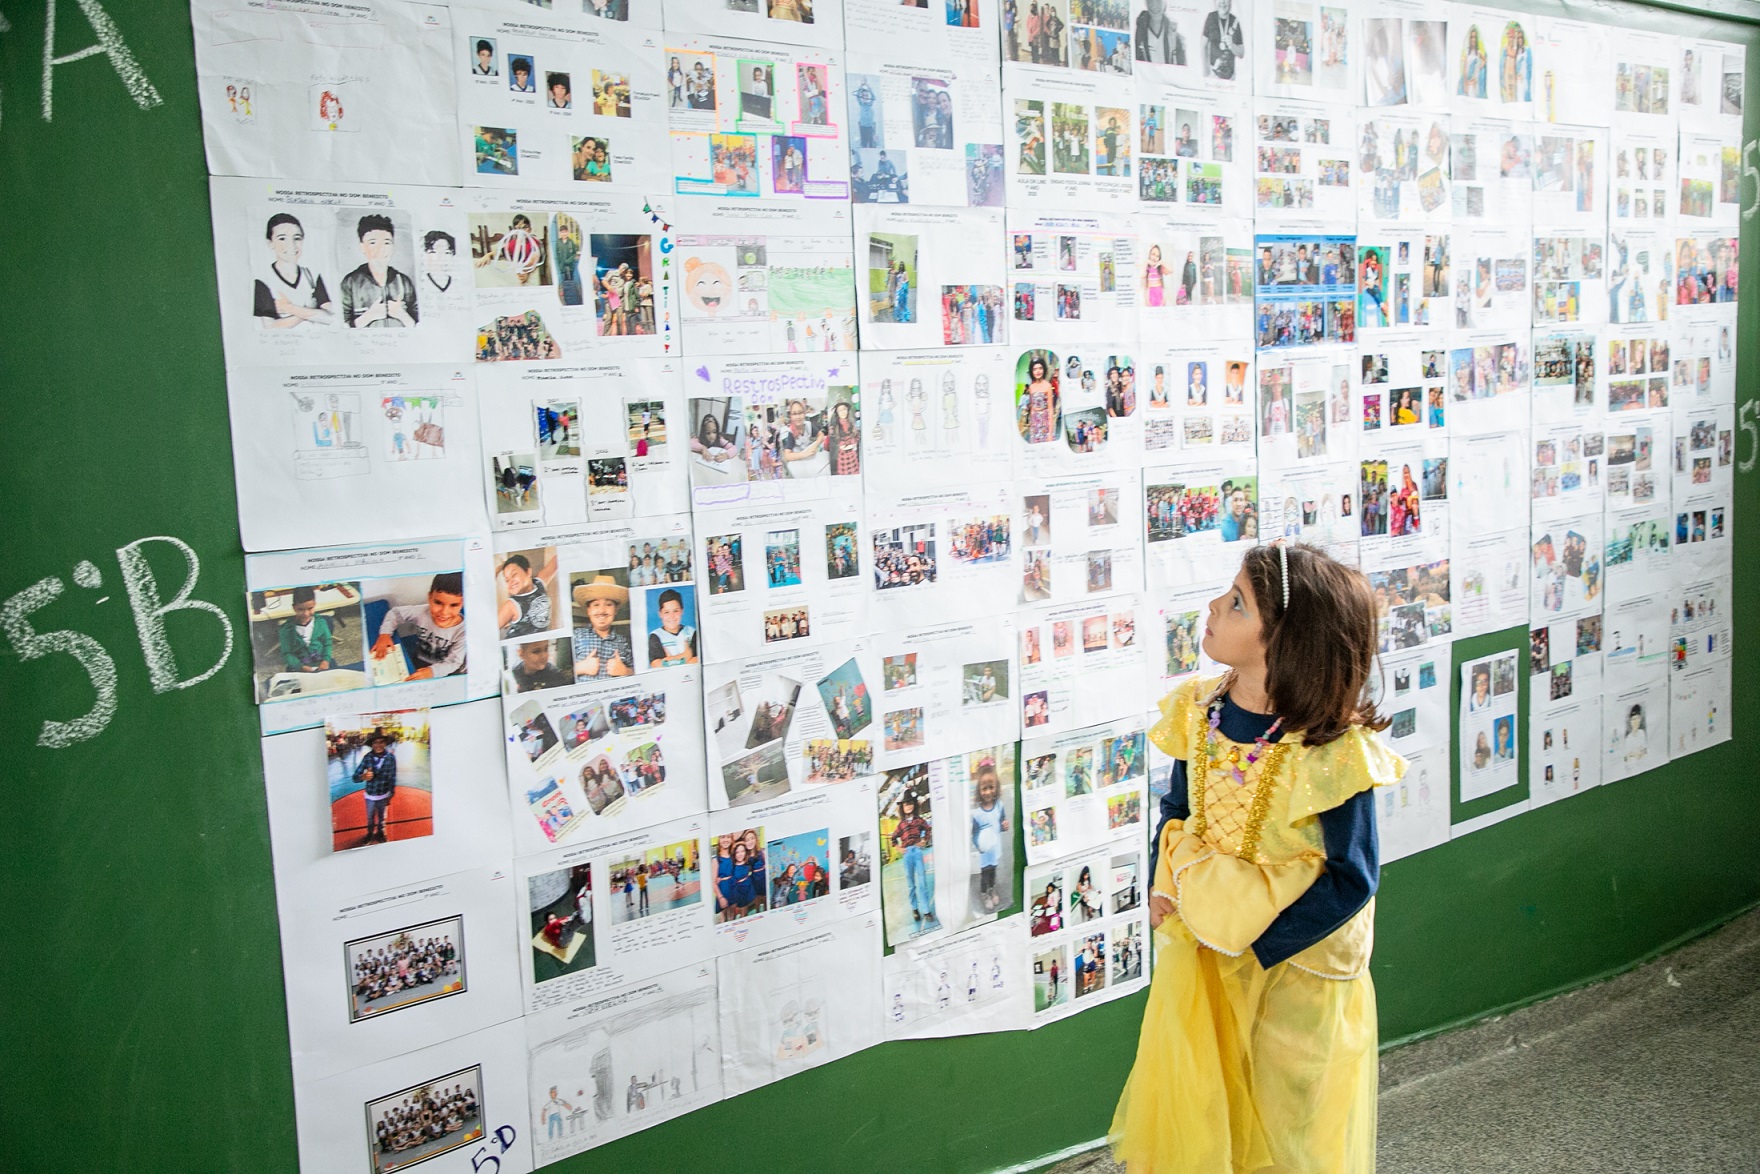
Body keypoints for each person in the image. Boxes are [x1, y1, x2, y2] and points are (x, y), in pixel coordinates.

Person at [1110, 542, 1405, 1172]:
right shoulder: (1199, 711)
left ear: (1285, 641)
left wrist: (1263, 945)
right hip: (1210, 954)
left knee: (1284, 1123)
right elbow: (1178, 810)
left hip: (1296, 969)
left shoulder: (1331, 747)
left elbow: (1353, 876)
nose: (1214, 607)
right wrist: (1165, 885)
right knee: (1211, 1106)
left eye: (1237, 603)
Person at [371, 573, 467, 679]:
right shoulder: (422, 612)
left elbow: (454, 662)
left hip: (448, 672)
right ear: (429, 597)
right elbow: (395, 613)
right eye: (438, 602)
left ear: (463, 603)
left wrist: (432, 672)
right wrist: (385, 634)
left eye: (454, 605)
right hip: (420, 659)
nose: (444, 612)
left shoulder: (464, 632)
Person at [253, 213, 334, 329]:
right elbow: (270, 327)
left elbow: (330, 318)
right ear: (270, 243)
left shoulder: (312, 276)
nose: (291, 245)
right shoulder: (263, 281)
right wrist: (310, 310)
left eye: (297, 238)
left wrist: (290, 308)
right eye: (282, 239)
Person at [340, 214, 419, 329]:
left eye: (386, 243)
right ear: (362, 247)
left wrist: (402, 315)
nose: (381, 249)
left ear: (393, 246)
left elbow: (421, 326)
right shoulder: (350, 283)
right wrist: (369, 316)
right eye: (373, 243)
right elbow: (342, 327)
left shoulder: (404, 282)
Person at [572, 574, 634, 678]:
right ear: (588, 610)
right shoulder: (576, 636)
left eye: (608, 604)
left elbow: (635, 671)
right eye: (596, 605)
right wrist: (581, 667)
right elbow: (561, 673)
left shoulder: (623, 642)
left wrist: (625, 671)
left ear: (615, 610)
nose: (601, 610)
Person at [969, 758, 1010, 912]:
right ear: (979, 790)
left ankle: (992, 889)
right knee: (985, 874)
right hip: (984, 851)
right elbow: (974, 833)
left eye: (991, 787)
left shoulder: (999, 806)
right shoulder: (977, 813)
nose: (988, 792)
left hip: (995, 848)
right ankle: (984, 893)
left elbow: (1001, 823)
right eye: (984, 789)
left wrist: (1004, 825)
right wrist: (980, 846)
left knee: (993, 871)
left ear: (996, 787)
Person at [890, 792, 935, 928]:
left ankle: (926, 911)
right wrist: (899, 848)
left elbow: (928, 829)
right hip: (907, 854)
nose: (908, 806)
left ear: (914, 805)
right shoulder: (901, 825)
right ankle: (915, 909)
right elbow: (893, 838)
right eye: (906, 804)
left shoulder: (919, 820)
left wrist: (924, 840)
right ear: (902, 808)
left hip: (917, 851)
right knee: (911, 884)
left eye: (910, 804)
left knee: (922, 882)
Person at [278, 586, 334, 672]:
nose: (306, 614)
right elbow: (287, 653)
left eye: (310, 608)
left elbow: (327, 643)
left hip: (322, 663)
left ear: (314, 604)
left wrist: (326, 660)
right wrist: (300, 667)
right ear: (294, 607)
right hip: (298, 666)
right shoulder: (286, 630)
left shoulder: (321, 623)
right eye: (300, 609)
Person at [497, 552, 553, 639]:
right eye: (507, 580)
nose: (511, 582)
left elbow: (557, 560)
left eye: (514, 575)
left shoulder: (539, 583)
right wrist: (496, 571)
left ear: (528, 572)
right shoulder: (511, 605)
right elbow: (486, 631)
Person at [354, 732, 398, 842]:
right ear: (372, 745)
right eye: (375, 742)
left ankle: (380, 832)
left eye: (381, 742)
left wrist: (391, 793)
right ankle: (370, 833)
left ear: (385, 743)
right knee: (370, 817)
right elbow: (354, 777)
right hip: (370, 795)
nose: (378, 745)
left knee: (382, 817)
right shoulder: (367, 757)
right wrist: (363, 776)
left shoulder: (391, 758)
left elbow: (392, 777)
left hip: (384, 794)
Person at [647, 588, 699, 667]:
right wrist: (686, 655)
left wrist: (669, 660)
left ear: (682, 611)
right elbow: (656, 664)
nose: (671, 616)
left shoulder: (692, 632)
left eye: (676, 611)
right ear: (660, 614)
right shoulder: (655, 636)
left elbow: (697, 660)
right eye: (666, 612)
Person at [1202, 0, 1244, 79]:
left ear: (1230, 2)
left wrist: (1232, 45)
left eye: (1226, 0)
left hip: (1230, 76)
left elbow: (1241, 54)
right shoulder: (1211, 17)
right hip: (1213, 73)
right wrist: (1205, 72)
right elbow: (1203, 46)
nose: (1222, 2)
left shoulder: (1235, 21)